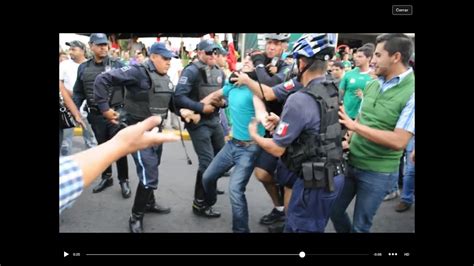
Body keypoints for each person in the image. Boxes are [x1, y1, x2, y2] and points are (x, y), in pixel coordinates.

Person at [248, 33, 345, 232]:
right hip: (334, 175)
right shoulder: (334, 89)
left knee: (299, 227)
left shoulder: (299, 98)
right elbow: (319, 128)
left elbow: (276, 149)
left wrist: (254, 135)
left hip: (313, 181)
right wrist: (282, 122)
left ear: (301, 63)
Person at [94, 42, 183, 233]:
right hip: (137, 131)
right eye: (165, 58)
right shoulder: (137, 71)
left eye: (170, 59)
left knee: (151, 168)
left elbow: (169, 102)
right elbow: (102, 79)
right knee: (149, 173)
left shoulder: (165, 76)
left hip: (155, 133)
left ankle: (149, 203)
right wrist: (104, 109)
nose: (169, 62)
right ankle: (135, 216)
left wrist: (187, 112)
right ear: (153, 57)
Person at [330, 33, 415, 233]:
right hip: (352, 162)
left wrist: (354, 127)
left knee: (361, 226)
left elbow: (399, 141)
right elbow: (362, 117)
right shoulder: (373, 83)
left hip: (379, 172)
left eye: (378, 55)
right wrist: (348, 140)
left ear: (395, 57)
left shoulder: (412, 92)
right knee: (333, 210)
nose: (372, 60)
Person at [200, 55, 266, 232]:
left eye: (250, 62)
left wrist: (264, 120)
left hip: (250, 148)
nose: (245, 62)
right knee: (207, 177)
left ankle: (241, 230)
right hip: (232, 144)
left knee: (235, 190)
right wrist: (196, 108)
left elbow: (260, 111)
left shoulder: (256, 90)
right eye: (245, 59)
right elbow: (215, 95)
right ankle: (210, 203)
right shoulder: (232, 85)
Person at [60, 116, 180, 214]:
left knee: (136, 163)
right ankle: (136, 217)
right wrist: (121, 144)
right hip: (111, 119)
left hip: (125, 121)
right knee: (148, 173)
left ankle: (126, 183)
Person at [73, 33, 130, 198]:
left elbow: (132, 87)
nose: (103, 47)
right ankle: (107, 177)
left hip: (115, 114)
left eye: (105, 44)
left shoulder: (118, 64)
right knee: (102, 148)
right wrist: (75, 112)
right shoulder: (83, 68)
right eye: (99, 45)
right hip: (95, 116)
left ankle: (123, 180)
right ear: (91, 46)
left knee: (119, 149)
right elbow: (78, 92)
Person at [174, 39, 227, 218]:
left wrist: (224, 102)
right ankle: (201, 203)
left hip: (214, 121)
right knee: (207, 163)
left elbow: (225, 94)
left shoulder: (219, 71)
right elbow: (179, 98)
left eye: (215, 52)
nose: (212, 56)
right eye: (209, 52)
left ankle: (209, 185)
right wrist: (200, 108)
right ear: (200, 53)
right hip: (198, 123)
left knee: (220, 158)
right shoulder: (192, 71)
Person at [60, 40, 97, 156]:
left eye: (73, 49)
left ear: (82, 50)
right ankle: (67, 168)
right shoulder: (64, 65)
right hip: (67, 109)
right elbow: (60, 85)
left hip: (86, 108)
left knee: (91, 140)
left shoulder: (90, 65)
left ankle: (91, 167)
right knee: (66, 143)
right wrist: (71, 94)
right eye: (70, 49)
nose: (70, 52)